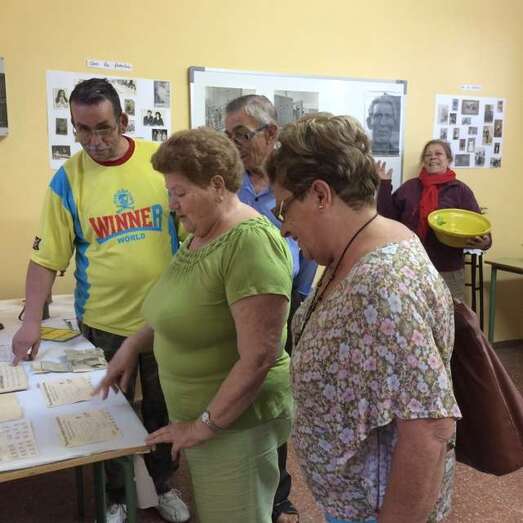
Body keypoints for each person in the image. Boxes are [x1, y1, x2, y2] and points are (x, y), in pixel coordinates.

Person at [266, 113, 462, 523]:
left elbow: (429, 428)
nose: (283, 228)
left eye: (284, 209)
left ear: (320, 195)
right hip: (352, 504)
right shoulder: (354, 250)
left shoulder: (383, 283)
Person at [11, 78, 189, 523]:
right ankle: (115, 493)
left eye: (103, 128)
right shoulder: (67, 179)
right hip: (104, 325)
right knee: (107, 415)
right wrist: (31, 322)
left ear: (123, 120)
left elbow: (195, 231)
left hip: (165, 322)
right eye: (83, 129)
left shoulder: (160, 163)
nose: (94, 140)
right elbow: (45, 259)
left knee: (164, 410)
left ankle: (163, 484)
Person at [95, 127, 294, 523]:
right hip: (208, 421)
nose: (172, 205)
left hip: (235, 425)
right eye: (170, 193)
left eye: (180, 193)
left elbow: (260, 356)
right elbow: (185, 310)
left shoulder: (249, 243)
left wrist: (203, 426)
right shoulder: (202, 234)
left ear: (217, 186)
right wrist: (133, 344)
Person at [225, 94, 318, 523]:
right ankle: (238, 485)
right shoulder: (227, 183)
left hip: (287, 303)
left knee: (276, 397)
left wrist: (300, 298)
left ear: (271, 133)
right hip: (236, 306)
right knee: (239, 390)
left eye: (242, 135)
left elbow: (310, 248)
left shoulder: (293, 183)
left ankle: (278, 494)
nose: (235, 145)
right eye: (228, 136)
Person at [377, 139, 492, 300]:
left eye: (438, 153)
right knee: (413, 313)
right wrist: (384, 185)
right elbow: (387, 218)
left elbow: (480, 229)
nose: (433, 157)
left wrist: (484, 242)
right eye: (428, 155)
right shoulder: (410, 187)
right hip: (411, 267)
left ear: (448, 159)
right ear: (423, 161)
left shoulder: (460, 191)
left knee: (452, 313)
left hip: (448, 270)